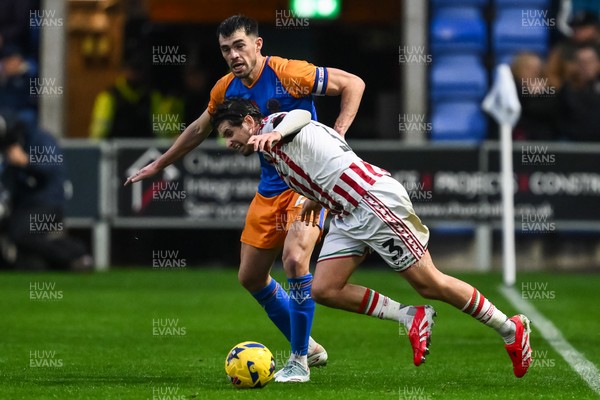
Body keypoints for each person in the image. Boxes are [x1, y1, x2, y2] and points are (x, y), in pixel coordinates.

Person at [210, 97, 534, 379]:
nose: (228, 142)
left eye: (229, 134)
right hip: (346, 213)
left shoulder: (276, 125)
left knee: (429, 283)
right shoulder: (271, 153)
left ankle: (510, 328)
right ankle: (410, 316)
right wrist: (313, 197)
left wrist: (276, 132)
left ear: (250, 122)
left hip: (373, 203)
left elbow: (302, 116)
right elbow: (326, 162)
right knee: (324, 289)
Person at [125, 15, 365, 382]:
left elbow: (354, 83)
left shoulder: (290, 72)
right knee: (251, 277)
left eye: (239, 45)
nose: (233, 55)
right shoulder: (225, 89)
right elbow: (198, 128)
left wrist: (339, 136)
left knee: (296, 260)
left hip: (305, 186)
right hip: (269, 189)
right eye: (225, 49)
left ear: (258, 45)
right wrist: (159, 163)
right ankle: (311, 346)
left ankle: (298, 360)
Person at [0, 110, 92, 271]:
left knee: (20, 233)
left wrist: (26, 162)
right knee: (26, 256)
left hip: (47, 203)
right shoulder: (9, 148)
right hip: (23, 205)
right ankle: (54, 263)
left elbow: (50, 170)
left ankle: (75, 252)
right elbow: (9, 183)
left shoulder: (40, 139)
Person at [89, 53, 184, 139]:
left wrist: (169, 142)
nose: (134, 74)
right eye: (132, 69)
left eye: (139, 69)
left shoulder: (152, 96)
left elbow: (161, 130)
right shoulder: (109, 96)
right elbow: (99, 131)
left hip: (145, 152)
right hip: (116, 151)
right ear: (124, 70)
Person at [510, 52, 560, 141]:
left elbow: (551, 111)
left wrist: (538, 93)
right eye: (528, 68)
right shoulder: (512, 88)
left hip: (544, 139)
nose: (534, 72)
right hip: (518, 138)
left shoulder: (548, 89)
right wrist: (530, 93)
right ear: (518, 69)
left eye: (537, 69)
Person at [557, 42, 600, 141]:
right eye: (582, 62)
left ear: (597, 63)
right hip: (574, 142)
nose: (586, 66)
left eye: (590, 61)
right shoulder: (567, 89)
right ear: (575, 65)